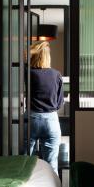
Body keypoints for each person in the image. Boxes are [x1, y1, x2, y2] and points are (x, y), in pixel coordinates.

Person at [24, 41, 64, 175]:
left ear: (34, 56)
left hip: (32, 118)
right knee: (51, 165)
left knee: (25, 162)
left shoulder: (28, 73)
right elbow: (59, 102)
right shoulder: (56, 74)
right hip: (51, 120)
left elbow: (21, 60)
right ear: (48, 57)